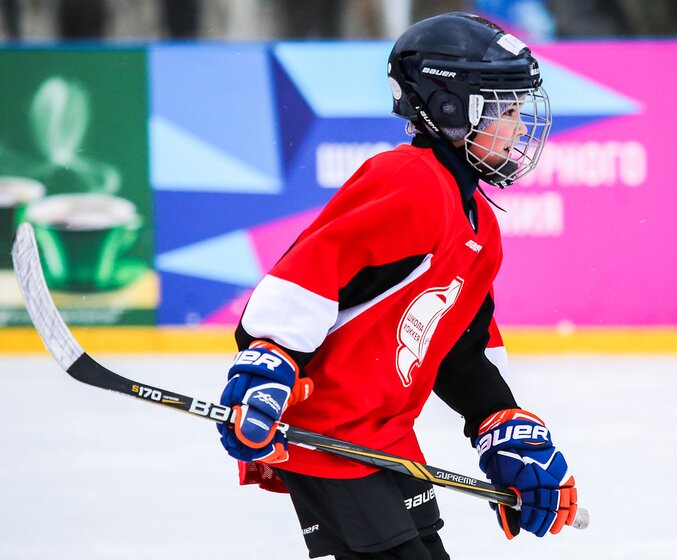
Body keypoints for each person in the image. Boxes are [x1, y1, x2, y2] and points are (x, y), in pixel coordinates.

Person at [217, 12, 579, 560]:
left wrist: (499, 421)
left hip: (385, 441)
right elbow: (310, 270)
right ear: (452, 108)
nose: (519, 124)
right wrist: (268, 362)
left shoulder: (480, 220)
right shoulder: (407, 180)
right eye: (504, 108)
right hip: (329, 434)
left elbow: (458, 347)